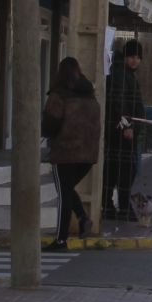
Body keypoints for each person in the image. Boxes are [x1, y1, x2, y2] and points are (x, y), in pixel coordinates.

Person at [42, 57, 101, 249]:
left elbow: (50, 124)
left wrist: (47, 135)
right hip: (87, 155)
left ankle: (61, 239)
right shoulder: (90, 96)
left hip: (64, 152)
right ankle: (83, 218)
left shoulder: (59, 96)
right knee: (67, 189)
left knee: (64, 193)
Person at [104, 39, 147, 223]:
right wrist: (127, 125)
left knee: (118, 170)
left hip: (123, 131)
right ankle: (120, 207)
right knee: (124, 170)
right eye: (132, 56)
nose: (135, 61)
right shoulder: (121, 75)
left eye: (138, 57)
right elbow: (119, 101)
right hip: (121, 133)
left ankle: (112, 206)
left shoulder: (127, 74)